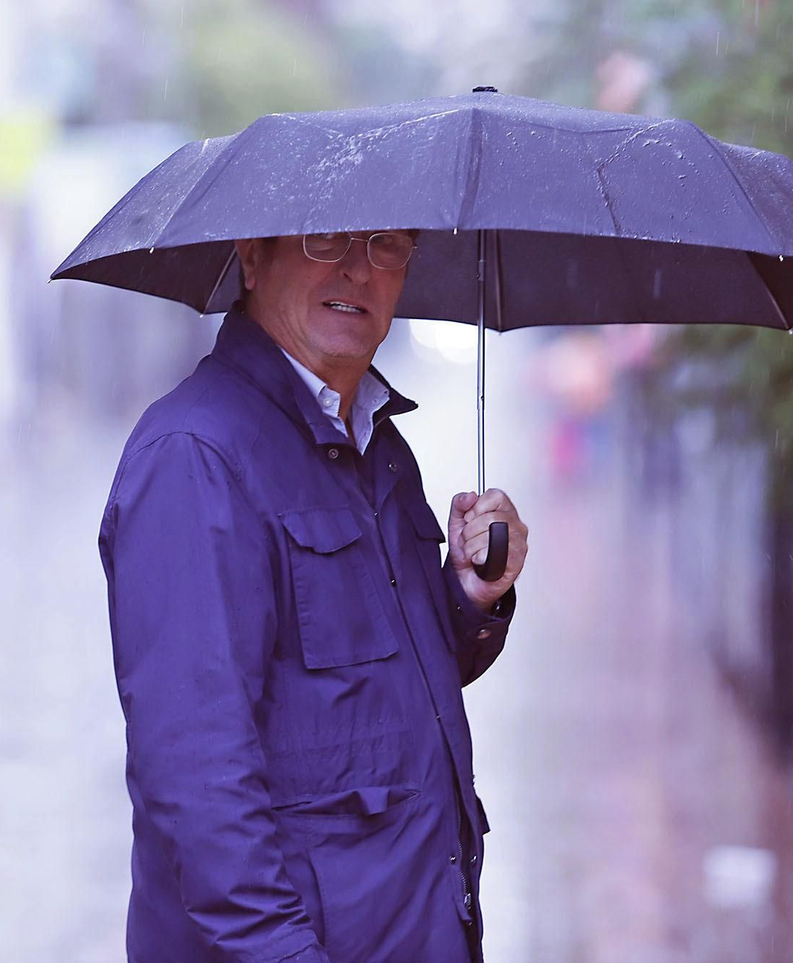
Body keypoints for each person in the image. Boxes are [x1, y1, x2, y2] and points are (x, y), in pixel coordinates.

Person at [98, 230, 530, 963]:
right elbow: (198, 784)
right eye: (324, 240)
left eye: (387, 245)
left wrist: (467, 593)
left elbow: (374, 684)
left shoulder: (378, 445)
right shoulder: (195, 457)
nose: (358, 269)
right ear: (253, 256)